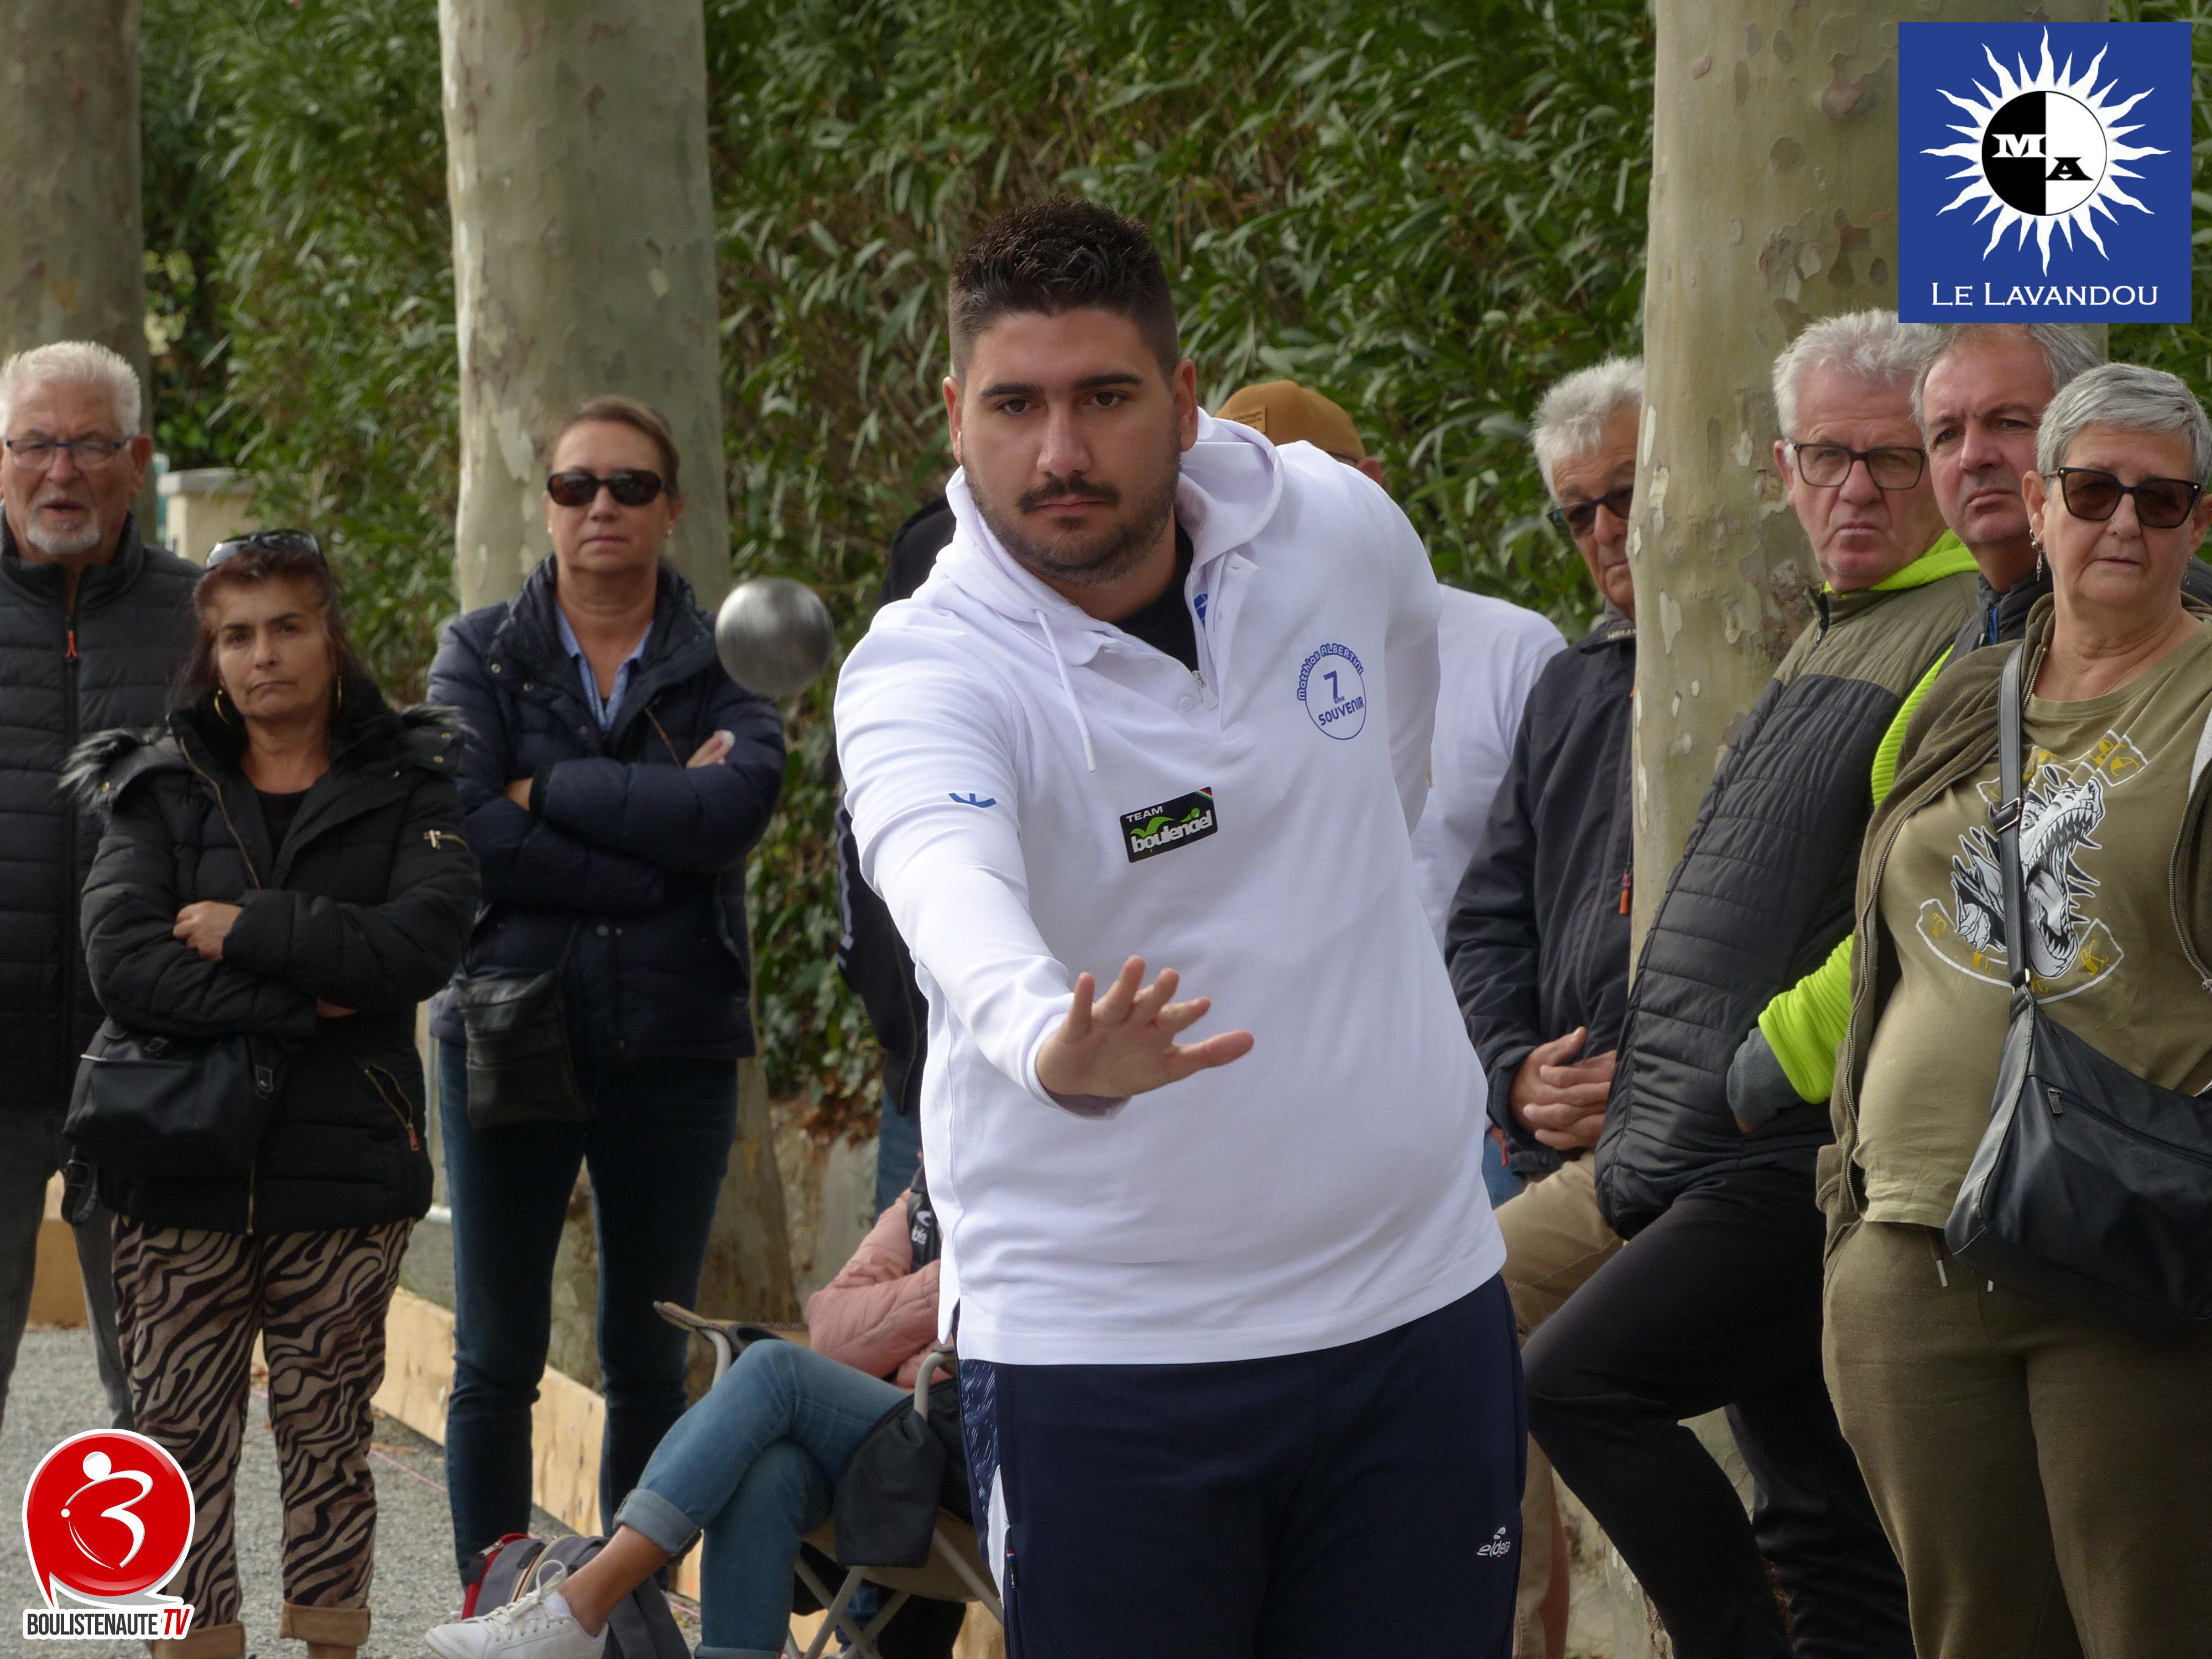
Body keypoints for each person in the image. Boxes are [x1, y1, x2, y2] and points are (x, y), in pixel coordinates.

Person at [836, 199, 1523, 1657]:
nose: (1061, 454)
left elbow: (1394, 763)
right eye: (1015, 407)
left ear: (1185, 399)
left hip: (1420, 1308)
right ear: (957, 414)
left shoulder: (1333, 526)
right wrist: (1043, 1039)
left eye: (1104, 399)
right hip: (1111, 1357)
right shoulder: (927, 668)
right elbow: (941, 878)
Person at [1531, 311, 1974, 1659]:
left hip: (1805, 1134)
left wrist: (1763, 1062)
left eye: (1889, 460)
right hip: (1727, 1128)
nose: (1851, 489)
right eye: (1823, 457)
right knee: (1817, 1512)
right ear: (1779, 467)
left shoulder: (1960, 632)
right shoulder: (1841, 625)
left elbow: (1924, 900)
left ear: (1941, 472)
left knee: (1574, 1379)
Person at [1825, 362, 2212, 1659]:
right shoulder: (1955, 691)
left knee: (2147, 1630)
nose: (2122, 524)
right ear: (2036, 508)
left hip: (2123, 1241)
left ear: (2196, 527)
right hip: (1904, 1236)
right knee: (1968, 1634)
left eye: (2160, 503)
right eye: (2093, 490)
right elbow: (1876, 926)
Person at [70, 531, 478, 1659]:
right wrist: (308, 1002)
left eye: (288, 626)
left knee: (327, 1437)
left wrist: (249, 932)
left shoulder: (410, 783)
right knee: (174, 1442)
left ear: (331, 638)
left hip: (343, 1168)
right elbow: (125, 963)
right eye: (237, 635)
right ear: (211, 655)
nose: (264, 657)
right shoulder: (153, 784)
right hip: (175, 1165)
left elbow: (420, 947)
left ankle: (331, 1644)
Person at [427, 395, 787, 1575]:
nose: (601, 508)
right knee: (493, 1356)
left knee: (646, 1356)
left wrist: (552, 794)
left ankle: (617, 1615)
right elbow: (464, 827)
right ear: (546, 505)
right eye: (577, 486)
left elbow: (730, 812)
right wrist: (649, 857)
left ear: (670, 508)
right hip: (509, 1027)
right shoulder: (476, 650)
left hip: (675, 1041)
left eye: (630, 486)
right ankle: (494, 1609)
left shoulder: (724, 660)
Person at [1219, 378, 1566, 1210]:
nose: (1269, 533)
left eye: (1299, 500)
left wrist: (1514, 1065)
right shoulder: (1195, 686)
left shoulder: (1513, 651)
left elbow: (1563, 892)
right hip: (1284, 1103)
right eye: (1241, 504)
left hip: (1474, 1091)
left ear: (1368, 489)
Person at [425, 1165, 961, 1659]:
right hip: (898, 1442)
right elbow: (830, 1328)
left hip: (989, 1452)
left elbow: (972, 1300)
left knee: (775, 1370)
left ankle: (584, 1602)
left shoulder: (1022, 1190)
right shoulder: (928, 1182)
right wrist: (940, 1292)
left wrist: (935, 1295)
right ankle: (581, 1607)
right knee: (768, 1471)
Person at [1447, 356, 1640, 1659]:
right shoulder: (1569, 685)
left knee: (1465, 1312)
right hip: (1557, 1129)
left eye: (1627, 493)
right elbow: (1482, 917)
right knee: (1455, 1329)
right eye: (1577, 511)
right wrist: (1513, 1068)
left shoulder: (1784, 646)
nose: (1606, 533)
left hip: (1715, 1132)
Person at [0, 341, 197, 1434]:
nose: (59, 472)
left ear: (138, 459)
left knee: (159, 1396)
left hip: (148, 1067)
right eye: (35, 444)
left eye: (87, 445)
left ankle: (145, 1612)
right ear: (0, 460)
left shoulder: (211, 619)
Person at [1916, 322, 2212, 657]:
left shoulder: (2180, 616)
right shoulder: (1975, 640)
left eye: (2009, 423)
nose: (1972, 457)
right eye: (1947, 435)